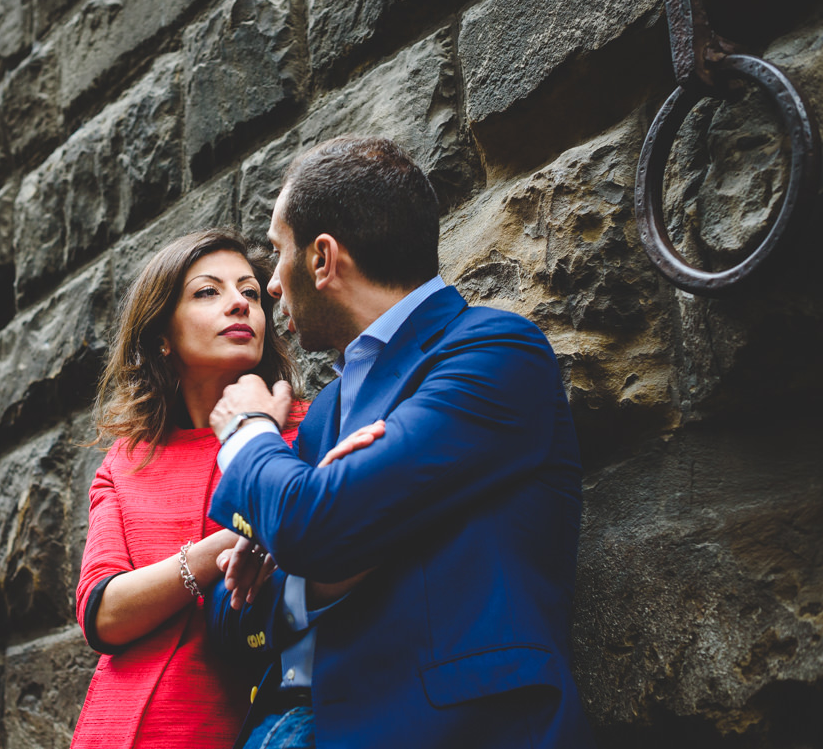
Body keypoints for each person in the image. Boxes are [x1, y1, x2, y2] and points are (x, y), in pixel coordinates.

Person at [203, 136, 595, 748]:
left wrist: (250, 434)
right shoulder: (328, 407)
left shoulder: (494, 352)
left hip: (442, 729)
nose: (271, 285)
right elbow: (227, 618)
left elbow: (316, 527)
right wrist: (314, 550)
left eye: (278, 254)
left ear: (322, 259)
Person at [70, 229, 304, 749]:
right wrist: (218, 550)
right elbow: (100, 613)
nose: (239, 305)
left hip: (249, 727)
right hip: (117, 728)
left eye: (249, 291)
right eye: (208, 292)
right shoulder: (128, 459)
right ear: (161, 336)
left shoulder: (303, 430)